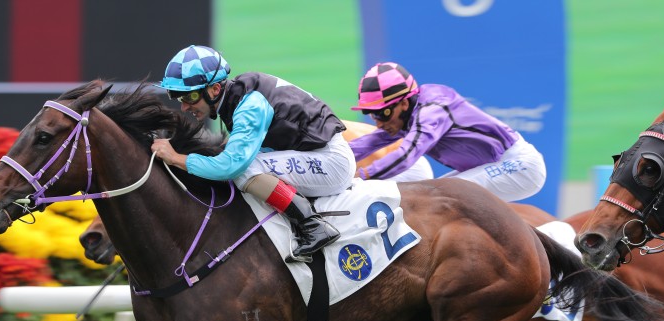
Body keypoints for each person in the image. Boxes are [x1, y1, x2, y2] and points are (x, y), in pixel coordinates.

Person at [151, 45, 356, 261]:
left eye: (190, 96)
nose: (184, 107)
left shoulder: (250, 105)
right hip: (318, 155)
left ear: (215, 90)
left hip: (330, 162)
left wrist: (176, 158)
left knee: (244, 171)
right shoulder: (238, 97)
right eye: (179, 98)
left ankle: (313, 226)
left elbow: (231, 166)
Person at [348, 62, 546, 202]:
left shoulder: (433, 109)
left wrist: (360, 178)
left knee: (435, 198)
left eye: (382, 113)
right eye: (372, 115)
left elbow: (406, 155)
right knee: (424, 198)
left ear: (404, 102)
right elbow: (366, 143)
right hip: (493, 165)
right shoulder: (404, 116)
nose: (379, 123)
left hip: (521, 165)